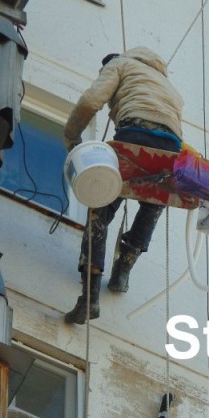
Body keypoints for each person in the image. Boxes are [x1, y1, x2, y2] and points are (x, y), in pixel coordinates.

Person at [63, 47, 184, 324]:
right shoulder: (170, 87)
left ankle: (90, 297)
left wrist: (71, 136)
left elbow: (91, 100)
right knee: (154, 199)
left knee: (100, 208)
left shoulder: (118, 64)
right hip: (170, 148)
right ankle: (124, 267)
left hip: (133, 134)